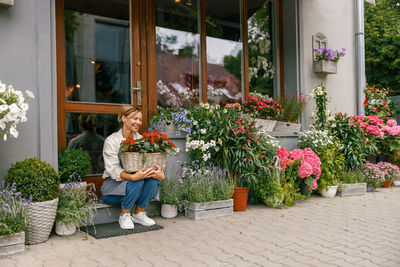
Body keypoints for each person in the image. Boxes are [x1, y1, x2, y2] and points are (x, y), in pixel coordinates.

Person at [100, 105, 164, 229]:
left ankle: (139, 213)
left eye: (140, 120)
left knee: (152, 179)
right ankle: (124, 214)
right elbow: (113, 169)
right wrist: (133, 177)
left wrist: (160, 174)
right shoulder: (112, 141)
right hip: (113, 191)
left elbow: (149, 165)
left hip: (135, 190)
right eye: (135, 119)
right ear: (123, 118)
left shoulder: (142, 141)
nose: (138, 122)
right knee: (138, 180)